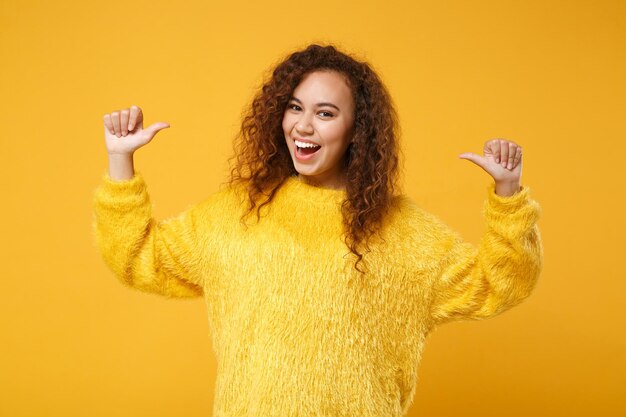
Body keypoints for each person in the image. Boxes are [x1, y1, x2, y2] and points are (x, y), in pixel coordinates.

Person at [92, 43, 543, 416]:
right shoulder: (234, 215)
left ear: (356, 131)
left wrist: (508, 196)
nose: (303, 126)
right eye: (294, 107)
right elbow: (139, 257)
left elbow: (497, 283)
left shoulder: (404, 233)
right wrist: (120, 161)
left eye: (326, 113)